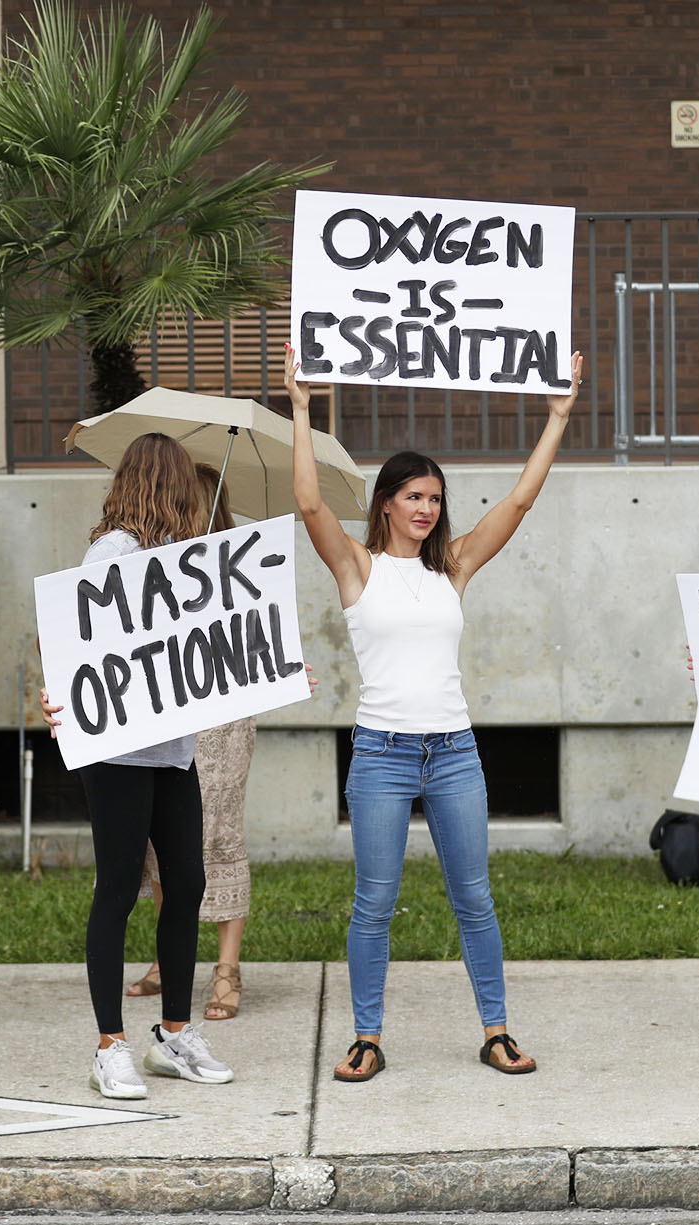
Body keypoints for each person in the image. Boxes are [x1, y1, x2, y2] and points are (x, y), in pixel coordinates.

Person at [284, 345, 585, 1083]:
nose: (427, 509)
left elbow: (518, 501)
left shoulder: (453, 567)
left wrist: (557, 418)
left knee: (473, 897)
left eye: (435, 498)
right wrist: (299, 407)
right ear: (386, 501)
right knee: (374, 903)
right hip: (382, 755)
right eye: (414, 496)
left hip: (453, 753)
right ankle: (365, 1035)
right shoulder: (358, 566)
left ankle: (496, 1030)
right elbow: (310, 505)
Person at [40, 433, 236, 1100]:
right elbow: (80, 638)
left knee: (186, 881)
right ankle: (110, 1044)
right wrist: (58, 690)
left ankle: (174, 1034)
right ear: (167, 486)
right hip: (118, 752)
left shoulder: (189, 558)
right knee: (119, 888)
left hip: (171, 750)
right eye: (183, 484)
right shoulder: (114, 551)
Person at [125, 466, 256, 1022]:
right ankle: (167, 958)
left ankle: (228, 968)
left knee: (218, 832)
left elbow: (258, 633)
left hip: (222, 717)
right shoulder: (145, 561)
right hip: (162, 715)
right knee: (162, 841)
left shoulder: (239, 565)